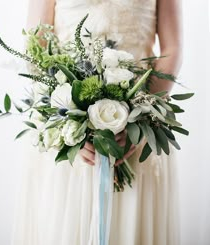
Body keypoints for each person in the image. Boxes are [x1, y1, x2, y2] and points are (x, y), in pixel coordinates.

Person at [12, 0, 183, 244]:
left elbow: (172, 48)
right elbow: (36, 46)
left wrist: (141, 119)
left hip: (138, 131)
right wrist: (69, 126)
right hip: (68, 136)